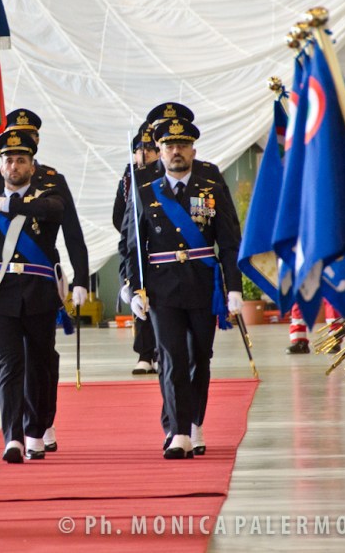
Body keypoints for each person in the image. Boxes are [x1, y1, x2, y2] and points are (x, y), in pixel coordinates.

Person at [124, 118, 243, 459]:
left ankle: (194, 423)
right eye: (168, 146)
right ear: (159, 152)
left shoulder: (210, 187)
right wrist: (134, 289)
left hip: (204, 284)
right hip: (162, 288)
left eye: (182, 145)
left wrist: (233, 287)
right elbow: (133, 245)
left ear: (193, 149)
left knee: (200, 358)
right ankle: (178, 431)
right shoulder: (146, 191)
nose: (175, 151)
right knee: (172, 357)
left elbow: (229, 240)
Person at [0, 109, 89, 452]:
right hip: (5, 282)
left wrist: (81, 278)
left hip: (42, 270)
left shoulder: (51, 180)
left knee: (43, 358)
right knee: (15, 361)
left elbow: (72, 231)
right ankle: (23, 431)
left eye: (27, 137)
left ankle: (42, 418)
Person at [0, 130, 65, 463]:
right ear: (1, 166)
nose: (13, 166)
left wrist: (4, 203)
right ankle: (13, 438)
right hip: (2, 296)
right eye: (8, 160)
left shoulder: (47, 195)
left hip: (40, 296)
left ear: (31, 166)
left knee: (38, 365)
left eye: (21, 160)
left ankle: (35, 431)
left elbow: (55, 212)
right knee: (9, 366)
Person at [114, 123, 160, 374]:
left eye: (151, 149)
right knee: (140, 298)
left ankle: (161, 351)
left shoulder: (164, 174)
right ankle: (144, 353)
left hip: (162, 249)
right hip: (137, 249)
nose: (145, 154)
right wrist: (131, 234)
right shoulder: (129, 177)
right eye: (140, 149)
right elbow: (118, 215)